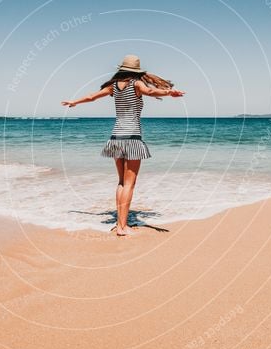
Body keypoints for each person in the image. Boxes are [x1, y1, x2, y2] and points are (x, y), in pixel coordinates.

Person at [61, 55, 185, 236]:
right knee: (129, 185)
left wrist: (74, 102)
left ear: (121, 69)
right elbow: (150, 92)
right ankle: (122, 227)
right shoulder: (136, 84)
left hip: (116, 138)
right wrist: (168, 93)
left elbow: (91, 97)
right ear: (136, 71)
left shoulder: (113, 87)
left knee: (121, 183)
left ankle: (120, 223)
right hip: (132, 138)